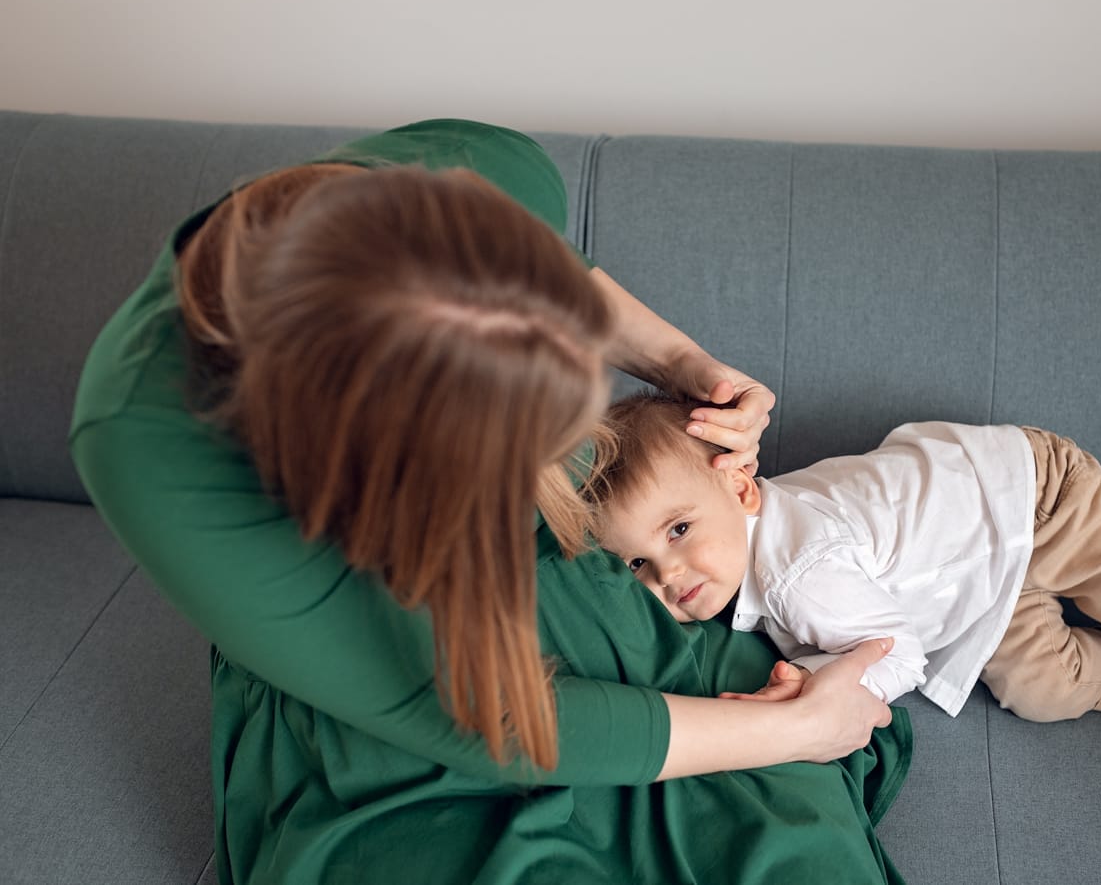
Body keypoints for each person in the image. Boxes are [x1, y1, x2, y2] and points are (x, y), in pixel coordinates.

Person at [70, 120, 912, 885]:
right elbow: (481, 718)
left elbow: (555, 274)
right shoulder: (153, 451)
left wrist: (679, 365)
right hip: (377, 686)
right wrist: (795, 732)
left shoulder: (491, 172)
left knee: (787, 849)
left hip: (574, 610)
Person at [587, 391, 1101, 720]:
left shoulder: (801, 577)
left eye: (677, 532)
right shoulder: (751, 528)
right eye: (635, 564)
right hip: (975, 573)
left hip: (1039, 502)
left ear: (742, 487)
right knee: (1042, 692)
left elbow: (898, 656)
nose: (668, 576)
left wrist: (811, 687)